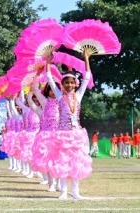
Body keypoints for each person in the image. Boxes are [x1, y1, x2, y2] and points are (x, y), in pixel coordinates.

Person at [45, 50, 93, 200]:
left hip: (76, 134)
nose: (70, 85)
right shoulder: (59, 96)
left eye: (72, 82)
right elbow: (49, 78)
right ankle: (64, 192)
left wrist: (86, 58)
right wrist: (48, 61)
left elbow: (87, 77)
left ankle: (76, 192)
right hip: (62, 134)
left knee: (77, 162)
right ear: (62, 84)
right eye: (66, 82)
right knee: (63, 162)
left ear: (75, 84)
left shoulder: (78, 96)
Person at [31, 75, 60, 190]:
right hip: (46, 135)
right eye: (51, 90)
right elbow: (35, 89)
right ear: (47, 91)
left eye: (55, 90)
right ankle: (51, 183)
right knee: (48, 160)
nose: (53, 92)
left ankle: (58, 182)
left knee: (58, 160)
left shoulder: (62, 100)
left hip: (59, 135)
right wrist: (37, 76)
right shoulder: (44, 101)